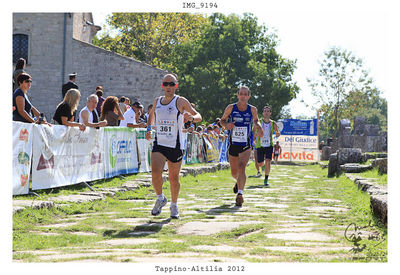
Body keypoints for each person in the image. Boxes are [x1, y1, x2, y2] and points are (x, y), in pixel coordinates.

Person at [145, 73, 202, 219]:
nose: (168, 87)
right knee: (155, 172)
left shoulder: (181, 101)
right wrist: (149, 129)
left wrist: (192, 118)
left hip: (175, 144)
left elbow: (199, 116)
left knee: (173, 177)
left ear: (176, 86)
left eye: (171, 84)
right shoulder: (157, 101)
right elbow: (151, 116)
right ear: (162, 86)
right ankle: (160, 198)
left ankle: (174, 205)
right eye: (166, 84)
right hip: (160, 143)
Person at [220, 86, 263, 206]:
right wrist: (227, 125)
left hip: (246, 143)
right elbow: (222, 121)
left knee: (242, 166)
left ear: (249, 96)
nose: (243, 96)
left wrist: (258, 125)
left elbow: (256, 120)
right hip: (233, 143)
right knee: (234, 172)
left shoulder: (252, 109)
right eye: (241, 94)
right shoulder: (231, 108)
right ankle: (238, 182)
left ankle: (240, 194)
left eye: (245, 94)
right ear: (237, 95)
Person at [255, 106, 280, 186]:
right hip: (260, 145)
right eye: (265, 111)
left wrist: (277, 134)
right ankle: (262, 166)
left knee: (268, 161)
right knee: (260, 163)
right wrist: (257, 134)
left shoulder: (273, 123)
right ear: (262, 113)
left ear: (270, 113)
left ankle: (266, 179)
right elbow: (253, 132)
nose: (266, 112)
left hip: (269, 145)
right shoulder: (259, 122)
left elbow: (277, 132)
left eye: (268, 111)